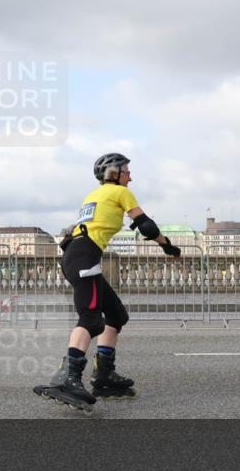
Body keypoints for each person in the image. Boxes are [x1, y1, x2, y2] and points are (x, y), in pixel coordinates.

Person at [34, 153, 181, 411]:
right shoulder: (119, 192)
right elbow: (145, 225)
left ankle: (103, 375)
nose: (130, 176)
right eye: (127, 171)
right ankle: (69, 379)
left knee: (116, 315)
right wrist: (168, 246)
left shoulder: (94, 195)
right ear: (114, 173)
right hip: (84, 256)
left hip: (78, 255)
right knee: (90, 319)